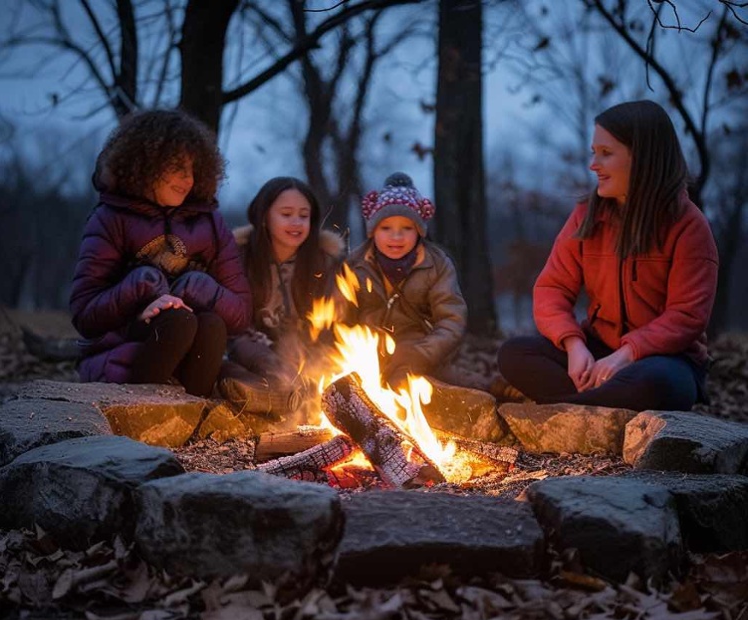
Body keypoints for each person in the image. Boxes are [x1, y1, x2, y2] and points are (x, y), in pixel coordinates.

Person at [496, 100, 719, 412]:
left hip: (665, 361)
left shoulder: (688, 226)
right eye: (593, 152)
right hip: (598, 350)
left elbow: (686, 316)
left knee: (655, 383)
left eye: (606, 153)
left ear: (642, 158)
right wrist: (574, 345)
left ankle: (564, 411)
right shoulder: (587, 215)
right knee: (514, 354)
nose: (593, 164)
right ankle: (593, 408)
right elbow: (552, 289)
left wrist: (627, 354)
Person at [69, 109, 251, 397]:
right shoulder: (110, 218)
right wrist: (145, 290)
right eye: (176, 166)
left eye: (192, 168)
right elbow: (84, 315)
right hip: (126, 352)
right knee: (179, 321)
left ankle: (192, 420)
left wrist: (193, 288)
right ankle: (141, 414)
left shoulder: (210, 223)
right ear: (146, 163)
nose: (187, 178)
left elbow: (241, 315)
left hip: (192, 355)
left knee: (210, 324)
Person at [219, 176, 345, 410]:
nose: (296, 222)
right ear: (264, 217)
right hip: (250, 344)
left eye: (303, 216)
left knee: (305, 369)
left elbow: (330, 321)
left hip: (301, 348)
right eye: (286, 214)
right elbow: (230, 314)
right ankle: (277, 392)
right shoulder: (240, 256)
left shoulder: (324, 262)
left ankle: (267, 396)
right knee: (260, 359)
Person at [345, 172, 468, 390]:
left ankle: (492, 389)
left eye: (407, 228)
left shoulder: (436, 265)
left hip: (419, 354)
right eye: (386, 228)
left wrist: (422, 353)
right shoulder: (354, 265)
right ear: (373, 231)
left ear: (419, 231)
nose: (396, 237)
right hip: (366, 352)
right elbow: (337, 316)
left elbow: (451, 320)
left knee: (447, 384)